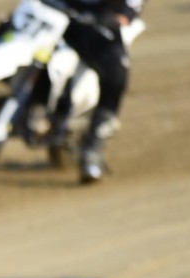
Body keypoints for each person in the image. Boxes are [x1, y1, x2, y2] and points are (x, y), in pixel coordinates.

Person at [59, 0, 145, 183]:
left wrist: (125, 14)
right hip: (57, 11)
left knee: (116, 75)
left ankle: (93, 148)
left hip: (100, 20)